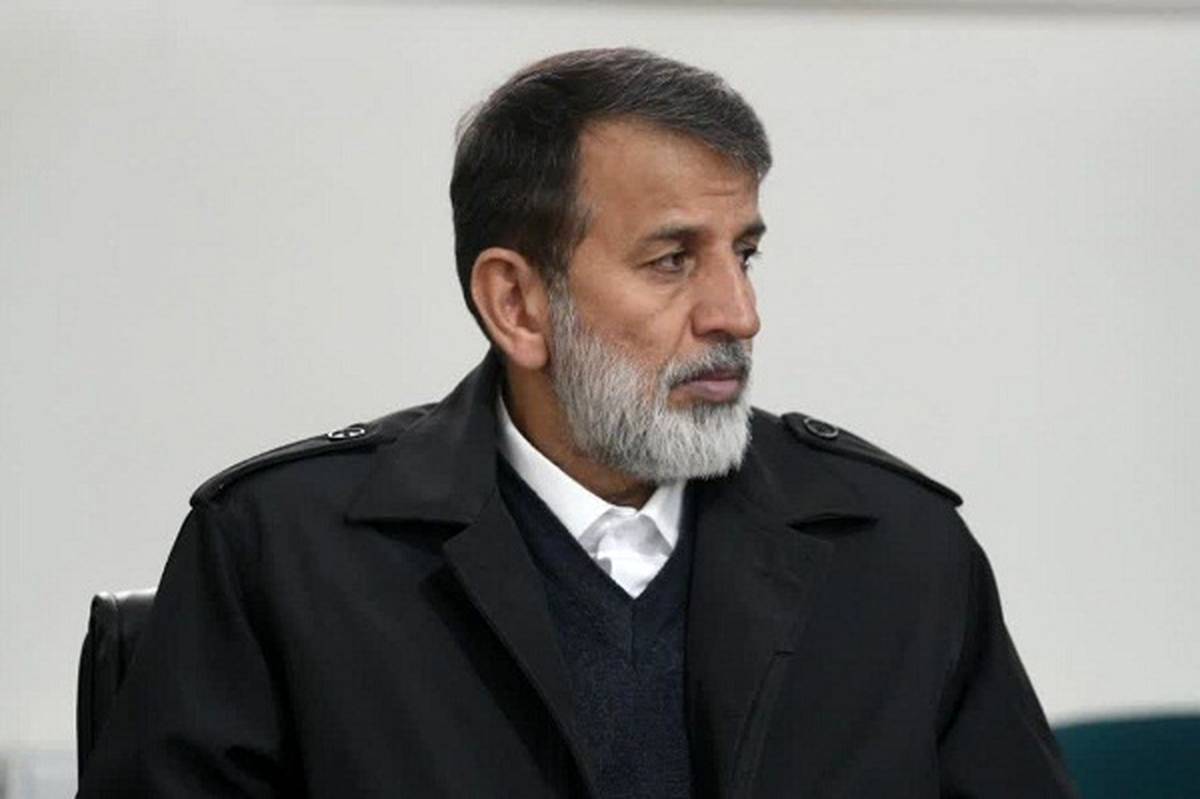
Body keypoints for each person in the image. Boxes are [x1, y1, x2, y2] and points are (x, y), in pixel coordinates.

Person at [78, 48, 1076, 798]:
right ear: (517, 304)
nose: (738, 314)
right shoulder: (280, 556)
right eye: (672, 260)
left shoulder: (898, 554)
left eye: (744, 254)